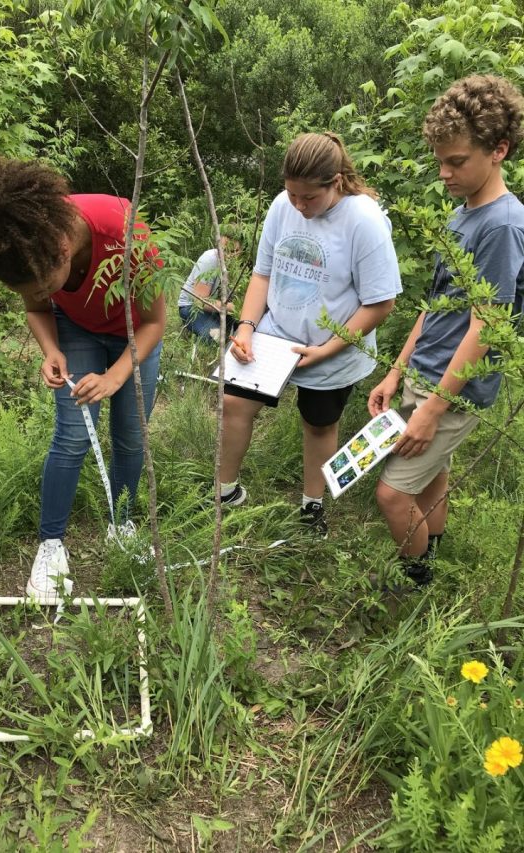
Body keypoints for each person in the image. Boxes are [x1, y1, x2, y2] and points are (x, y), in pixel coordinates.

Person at [0, 157, 166, 602]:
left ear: (65, 250)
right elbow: (36, 310)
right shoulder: (27, 243)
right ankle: (51, 546)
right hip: (79, 331)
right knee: (70, 437)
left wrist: (115, 376)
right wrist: (52, 349)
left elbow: (155, 323)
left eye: (45, 287)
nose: (39, 296)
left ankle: (120, 524)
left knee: (130, 436)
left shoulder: (125, 234)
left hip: (134, 333)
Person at [368, 75, 524, 587]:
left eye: (456, 161)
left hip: (454, 391)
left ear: (498, 150)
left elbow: (486, 324)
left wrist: (433, 410)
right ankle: (432, 556)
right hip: (424, 372)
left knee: (392, 494)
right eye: (440, 160)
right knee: (430, 477)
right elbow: (436, 306)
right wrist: (396, 372)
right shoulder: (464, 214)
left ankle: (417, 585)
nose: (444, 173)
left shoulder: (502, 225)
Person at [219, 132, 401, 536]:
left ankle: (311, 505)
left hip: (332, 346)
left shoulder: (364, 220)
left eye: (309, 198)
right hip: (276, 333)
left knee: (318, 424)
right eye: (292, 195)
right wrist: (246, 327)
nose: (299, 206)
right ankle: (225, 492)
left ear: (335, 181)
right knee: (234, 402)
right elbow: (263, 272)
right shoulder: (283, 205)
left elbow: (380, 303)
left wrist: (328, 349)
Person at [178, 229, 240, 341]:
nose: (228, 255)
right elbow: (199, 301)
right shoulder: (210, 260)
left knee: (241, 327)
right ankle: (189, 327)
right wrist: (231, 307)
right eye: (224, 250)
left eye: (233, 251)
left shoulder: (236, 264)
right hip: (190, 307)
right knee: (218, 338)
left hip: (212, 307)